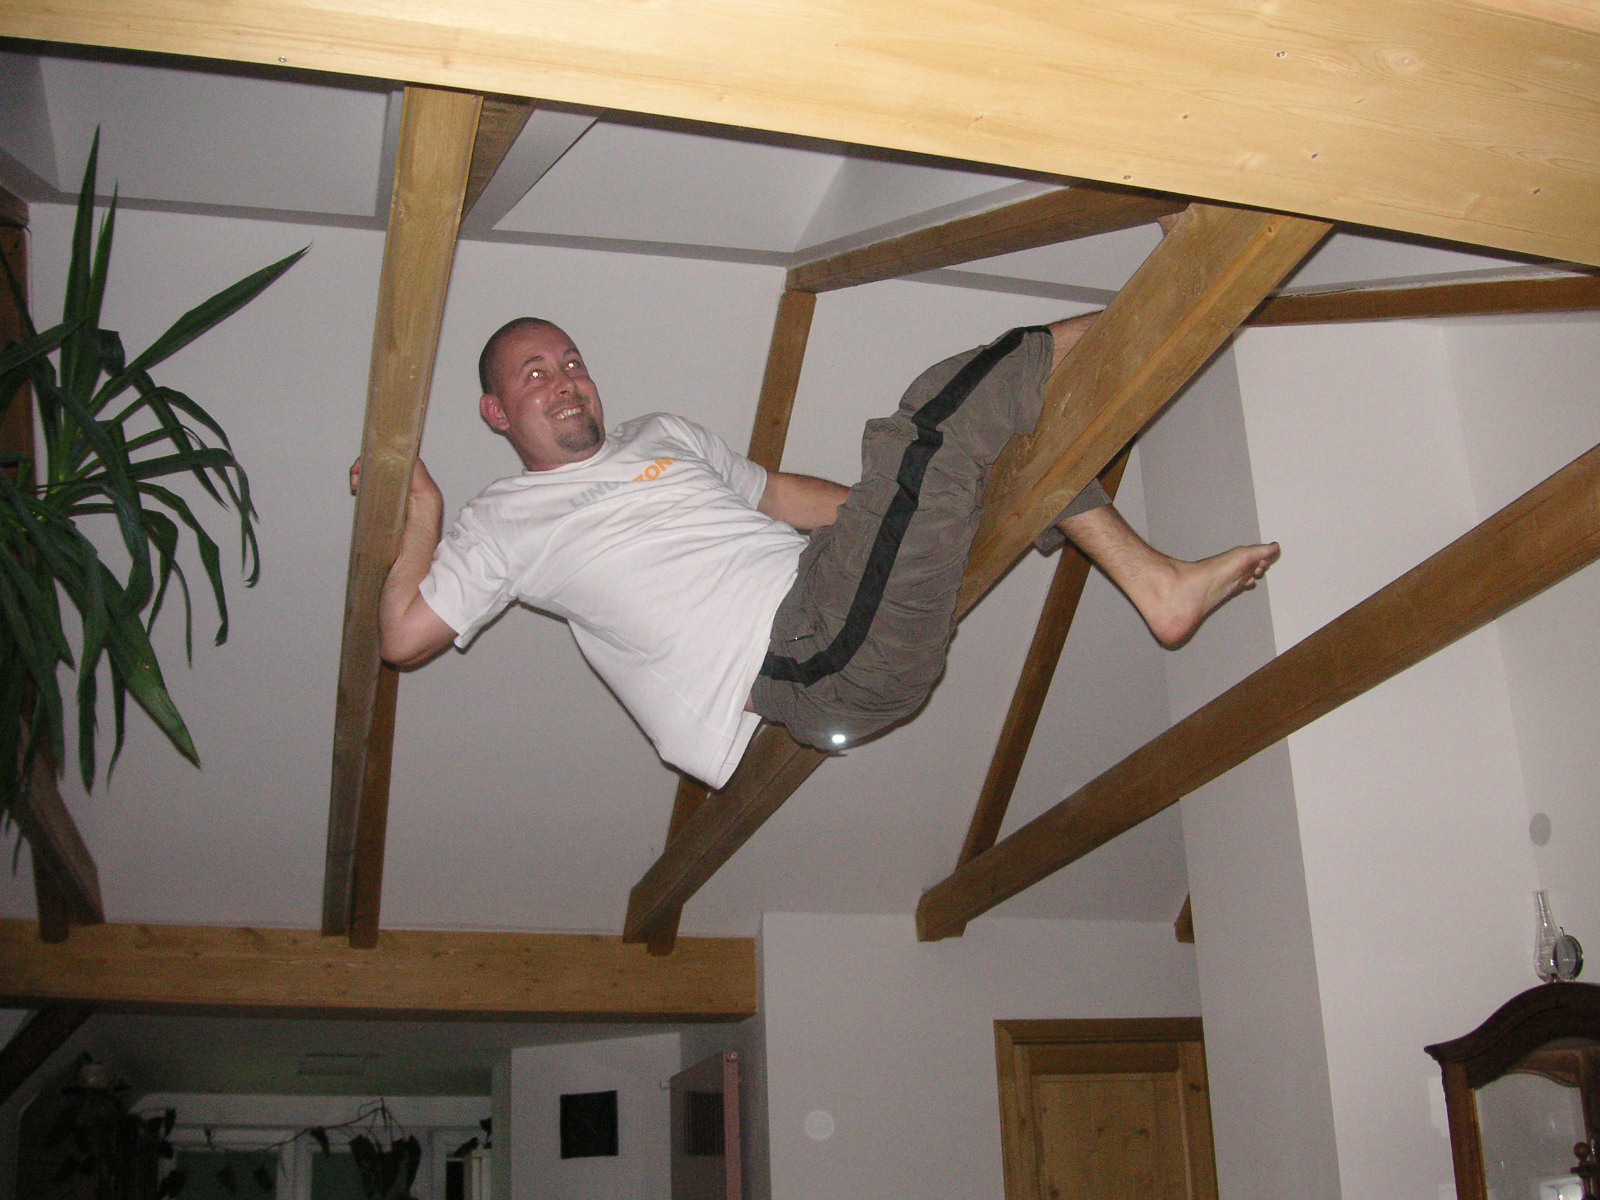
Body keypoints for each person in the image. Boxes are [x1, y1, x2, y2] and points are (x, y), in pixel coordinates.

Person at [359, 314, 1278, 789]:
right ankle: (1178, 292)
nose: (564, 381)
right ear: (496, 412)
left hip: (833, 587)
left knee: (989, 453)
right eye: (534, 375)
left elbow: (783, 497)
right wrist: (424, 512)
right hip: (805, 659)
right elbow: (403, 635)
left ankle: (1156, 584)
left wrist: (900, 510)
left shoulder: (661, 433)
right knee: (936, 412)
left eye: (570, 362)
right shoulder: (507, 519)